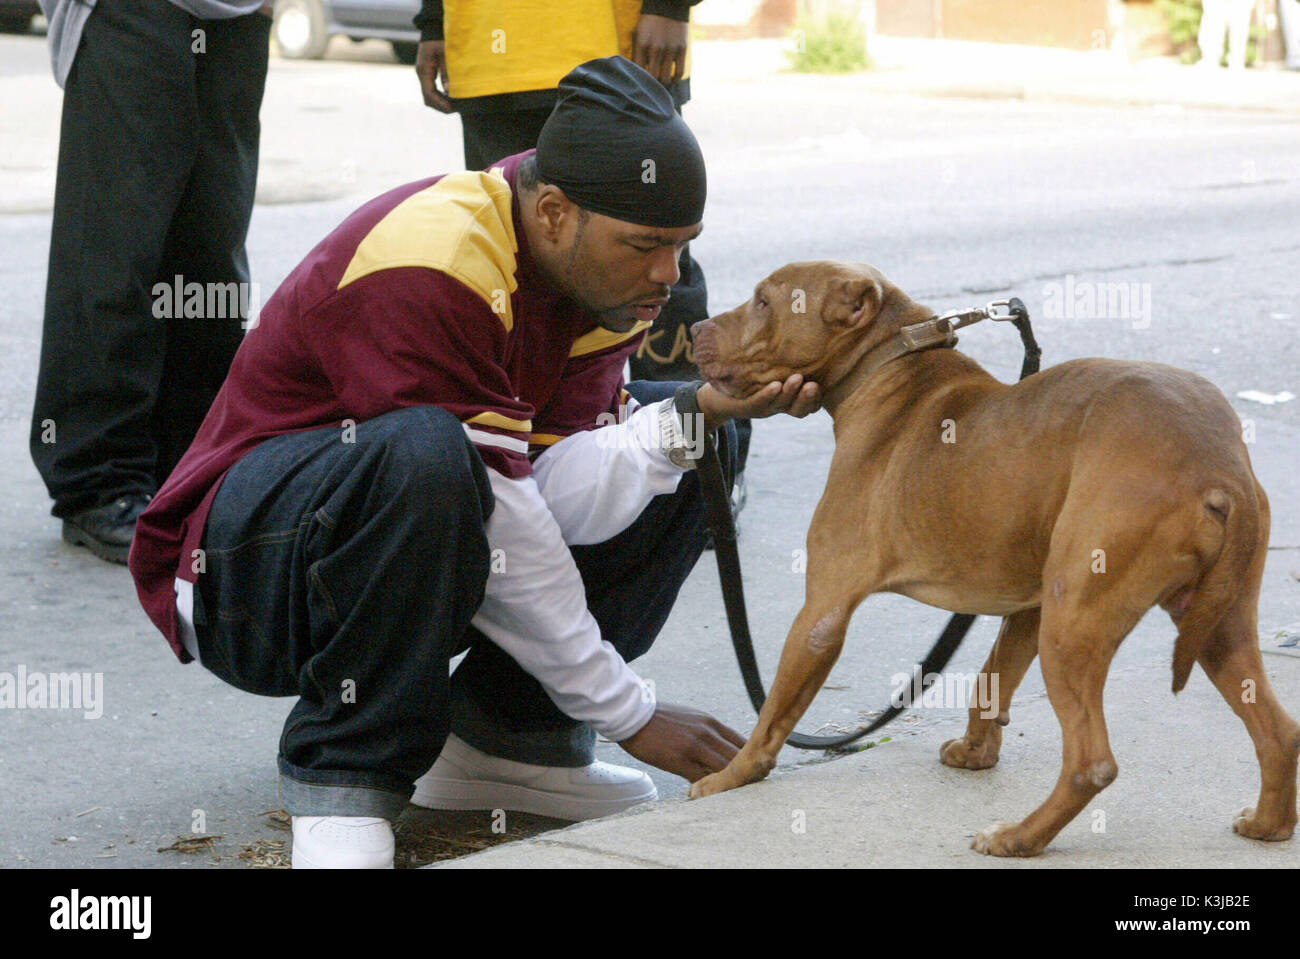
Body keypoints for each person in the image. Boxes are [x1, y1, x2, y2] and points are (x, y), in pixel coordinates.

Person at [128, 56, 820, 869]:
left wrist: (689, 421)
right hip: (239, 574)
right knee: (433, 451)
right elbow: (505, 514)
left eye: (681, 247)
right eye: (647, 246)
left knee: (694, 430)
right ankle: (344, 776)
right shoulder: (438, 256)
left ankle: (506, 740)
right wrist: (627, 710)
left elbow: (550, 499)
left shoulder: (606, 283)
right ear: (556, 213)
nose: (669, 275)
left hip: (419, 539)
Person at [413, 0, 752, 510]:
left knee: (649, 256)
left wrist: (669, 5)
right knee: (521, 268)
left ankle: (700, 469)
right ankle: (540, 457)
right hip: (491, 53)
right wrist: (435, 19)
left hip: (610, 41)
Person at [30, 0, 272, 564]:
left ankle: (190, 469)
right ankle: (99, 479)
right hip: (131, 11)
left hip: (236, 15)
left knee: (212, 251)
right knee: (117, 245)